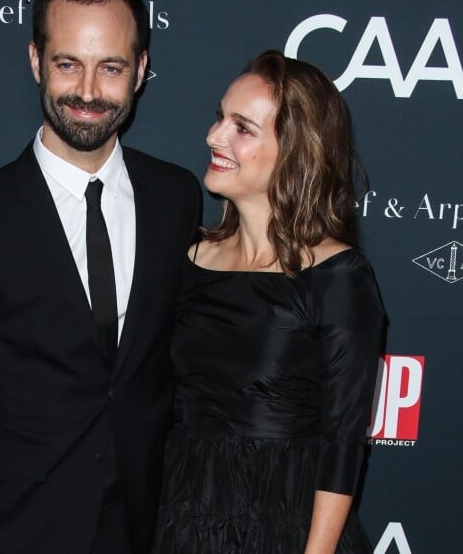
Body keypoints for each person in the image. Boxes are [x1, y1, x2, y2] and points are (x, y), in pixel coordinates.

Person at [0, 0, 201, 553]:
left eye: (111, 67)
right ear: (36, 60)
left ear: (141, 69)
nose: (88, 91)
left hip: (145, 530)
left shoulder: (175, 198)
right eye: (69, 64)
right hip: (16, 533)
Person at [152, 50, 384, 554]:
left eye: (243, 127)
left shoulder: (338, 277)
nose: (215, 136)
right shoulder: (191, 259)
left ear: (295, 151)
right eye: (220, 118)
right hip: (186, 519)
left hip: (287, 528)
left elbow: (343, 443)